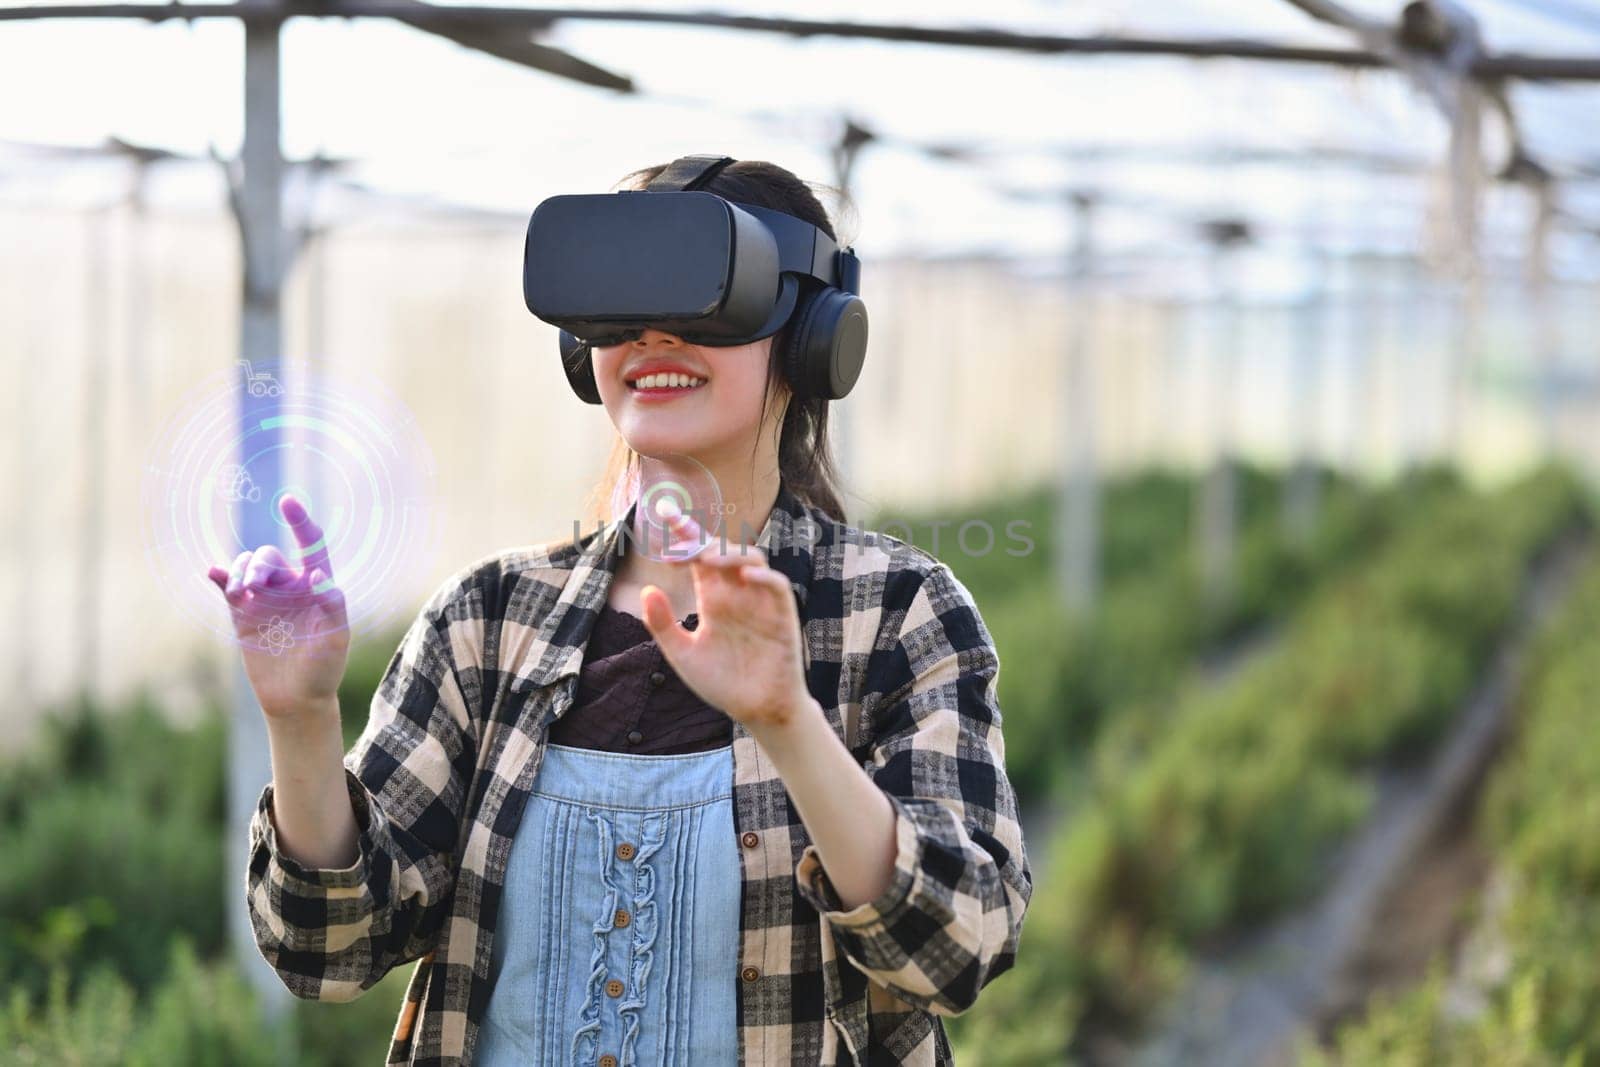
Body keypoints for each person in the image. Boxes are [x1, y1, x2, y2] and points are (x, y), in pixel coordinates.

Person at [209, 158, 1032, 1065]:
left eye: (709, 302)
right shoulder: (488, 621)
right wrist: (302, 718)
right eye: (620, 310)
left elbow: (961, 946)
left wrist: (788, 722)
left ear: (810, 341)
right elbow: (328, 949)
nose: (654, 337)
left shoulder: (901, 617)